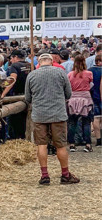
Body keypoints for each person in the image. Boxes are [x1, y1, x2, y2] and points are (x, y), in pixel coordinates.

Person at [25, 53, 79, 185]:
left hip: (39, 115)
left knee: (41, 145)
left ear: (39, 62)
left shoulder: (32, 75)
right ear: (51, 61)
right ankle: (65, 174)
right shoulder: (60, 73)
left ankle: (44, 175)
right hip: (58, 114)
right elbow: (68, 93)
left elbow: (27, 98)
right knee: (60, 145)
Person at [2, 50, 32, 139]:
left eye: (11, 58)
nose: (10, 60)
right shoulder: (30, 65)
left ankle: (17, 139)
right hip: (29, 95)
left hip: (16, 97)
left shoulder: (14, 66)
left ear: (15, 57)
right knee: (25, 121)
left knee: (15, 121)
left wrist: (3, 92)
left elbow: (12, 80)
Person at [67, 55, 94, 152]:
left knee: (72, 123)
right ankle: (88, 144)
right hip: (85, 98)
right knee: (86, 122)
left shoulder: (70, 74)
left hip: (73, 98)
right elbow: (91, 84)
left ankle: (72, 144)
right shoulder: (89, 73)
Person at [89, 53, 102, 146]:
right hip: (98, 96)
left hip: (93, 96)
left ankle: (98, 139)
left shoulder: (90, 71)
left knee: (96, 118)